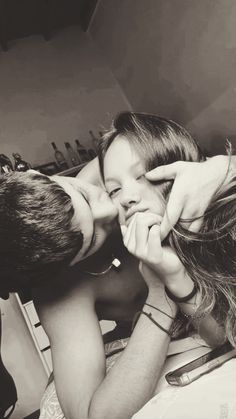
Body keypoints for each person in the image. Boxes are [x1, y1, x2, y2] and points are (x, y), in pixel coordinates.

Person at [0, 119, 235, 419]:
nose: (109, 210)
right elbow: (90, 415)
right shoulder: (60, 288)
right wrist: (160, 291)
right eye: (91, 239)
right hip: (150, 349)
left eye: (87, 196)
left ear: (35, 174)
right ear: (68, 265)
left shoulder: (114, 164)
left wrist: (222, 168)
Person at [100, 111, 236, 347]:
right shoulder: (163, 253)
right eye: (114, 190)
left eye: (141, 175)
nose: (126, 198)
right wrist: (174, 276)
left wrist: (225, 166)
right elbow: (222, 339)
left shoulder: (228, 217)